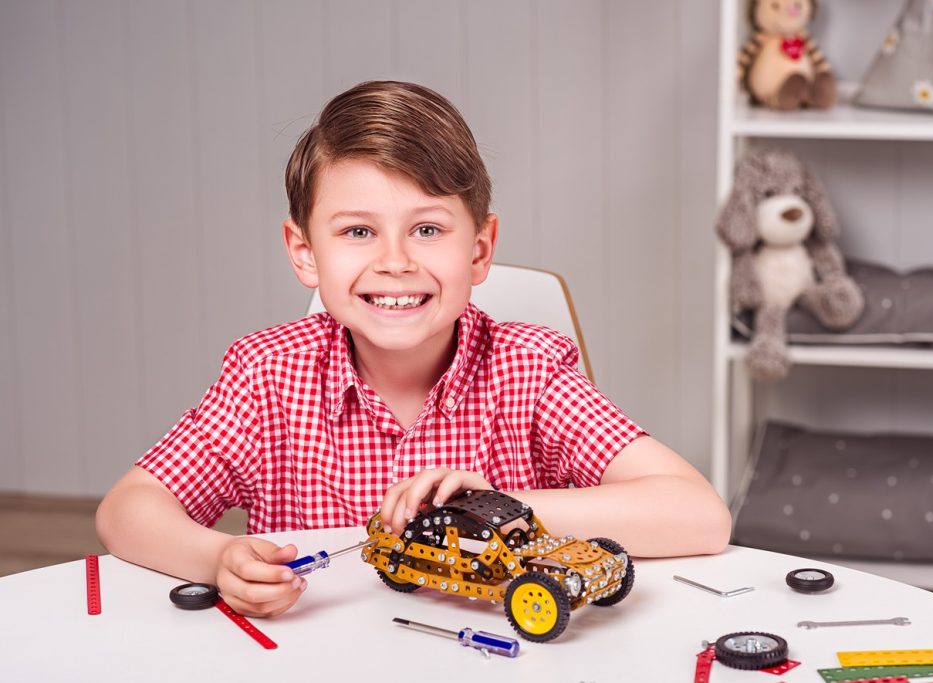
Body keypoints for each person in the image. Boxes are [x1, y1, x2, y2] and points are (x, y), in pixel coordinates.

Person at [95, 80, 731, 618]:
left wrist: (502, 508)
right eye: (358, 231)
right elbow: (128, 510)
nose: (394, 261)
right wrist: (218, 558)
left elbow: (700, 516)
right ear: (304, 252)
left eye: (427, 229)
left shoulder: (531, 369)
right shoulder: (267, 374)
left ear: (478, 249)